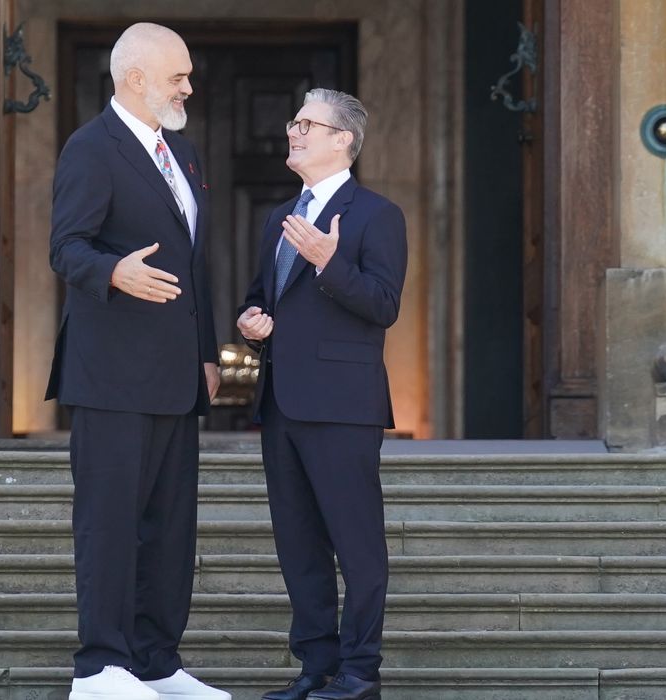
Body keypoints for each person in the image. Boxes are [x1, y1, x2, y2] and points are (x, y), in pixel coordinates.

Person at [47, 21, 228, 700]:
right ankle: (99, 668)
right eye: (177, 75)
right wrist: (112, 272)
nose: (188, 85)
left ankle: (156, 663)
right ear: (135, 79)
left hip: (177, 375)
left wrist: (207, 354)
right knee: (110, 521)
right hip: (111, 373)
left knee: (169, 527)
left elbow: (194, 267)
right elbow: (66, 247)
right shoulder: (90, 149)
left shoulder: (184, 156)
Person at [236, 89, 407, 700]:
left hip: (343, 404)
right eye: (294, 121)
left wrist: (330, 263)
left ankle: (361, 671)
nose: (295, 131)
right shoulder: (277, 216)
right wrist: (252, 322)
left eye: (308, 123)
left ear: (344, 140)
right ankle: (317, 666)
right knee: (298, 544)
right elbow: (261, 296)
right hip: (281, 401)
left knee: (355, 543)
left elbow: (384, 306)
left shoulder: (377, 214)